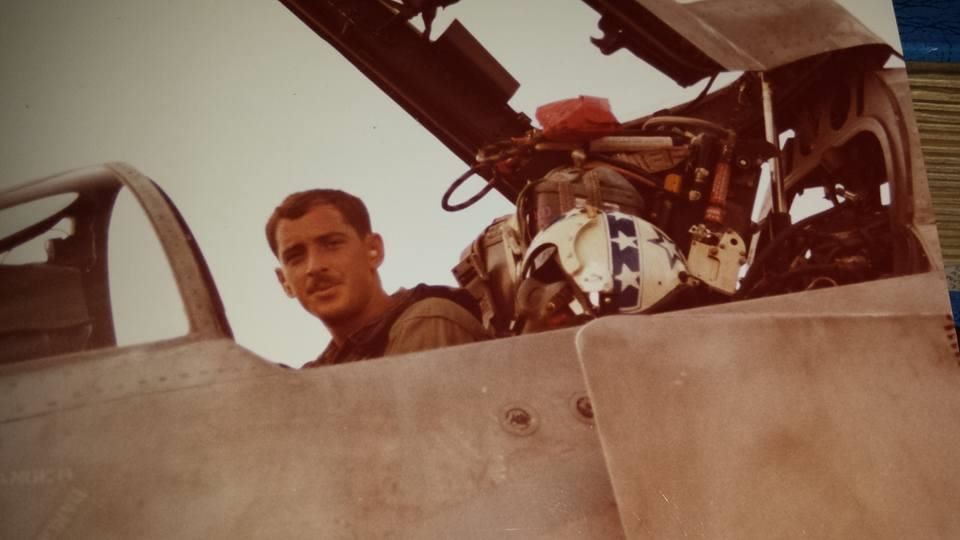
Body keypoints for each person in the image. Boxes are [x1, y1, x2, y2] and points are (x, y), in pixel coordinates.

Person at [265, 189, 489, 366]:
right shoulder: (322, 373)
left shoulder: (426, 322)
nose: (314, 266)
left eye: (332, 244)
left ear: (373, 250)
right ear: (285, 282)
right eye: (296, 257)